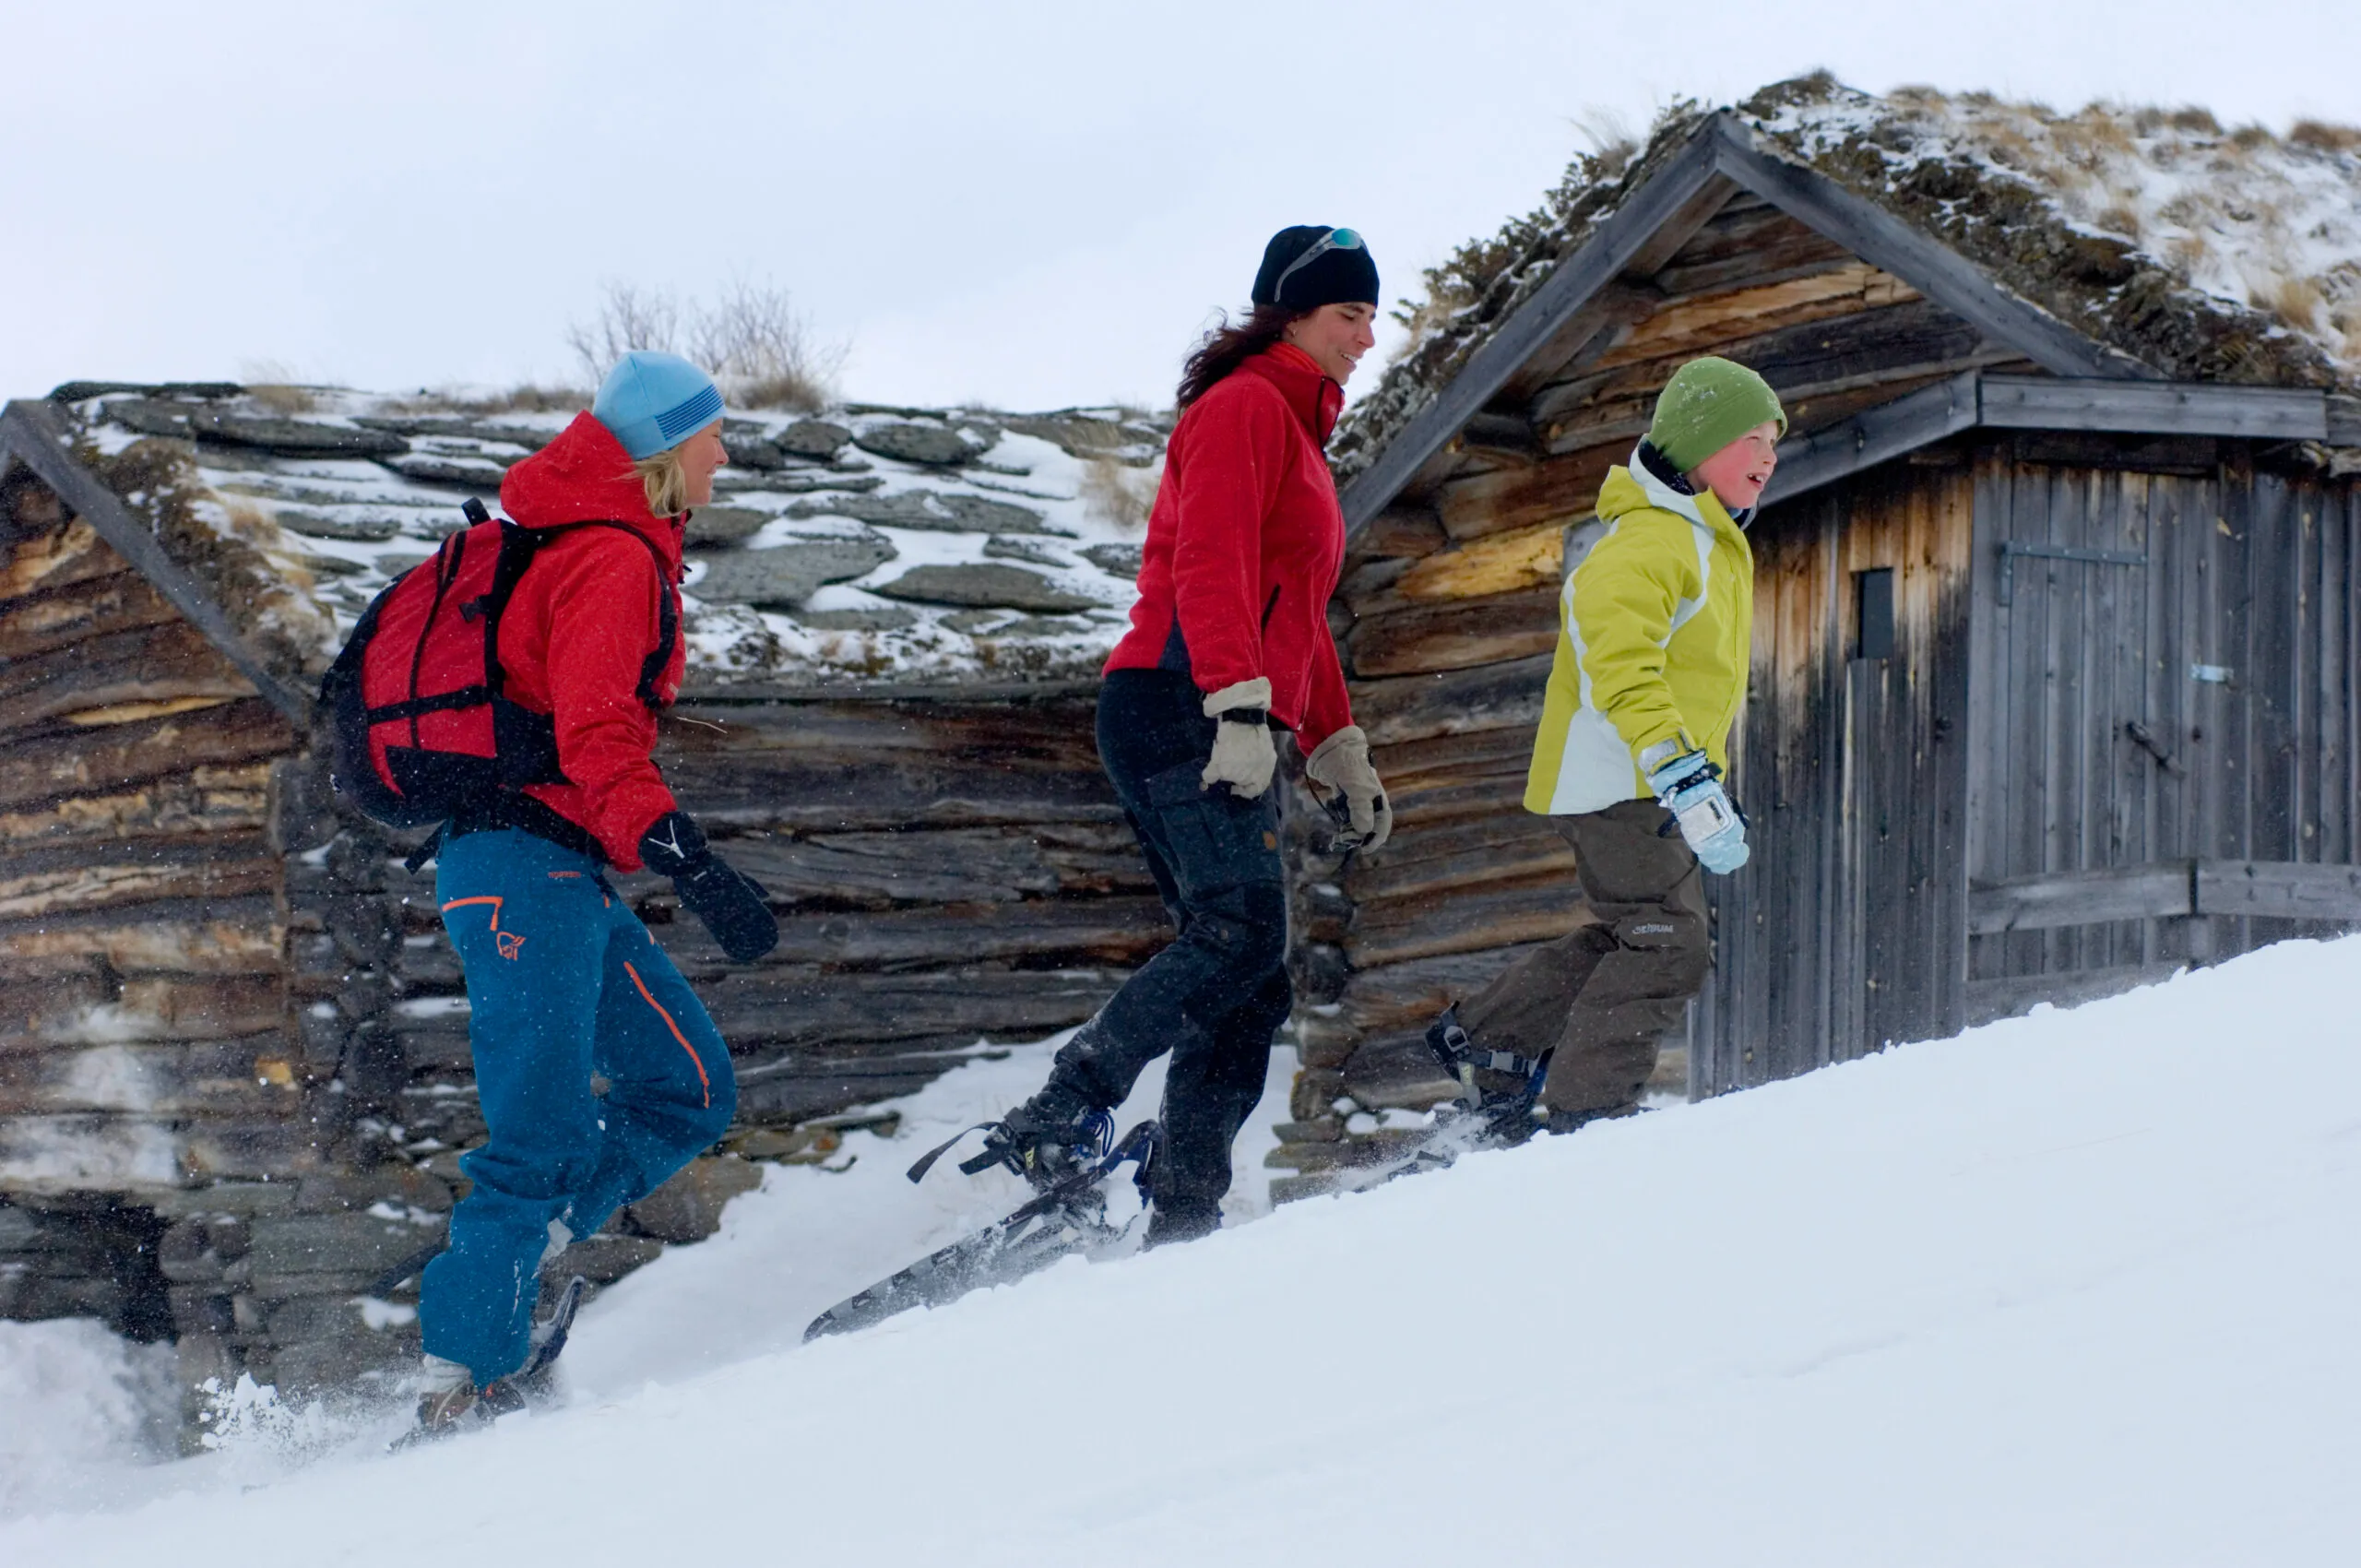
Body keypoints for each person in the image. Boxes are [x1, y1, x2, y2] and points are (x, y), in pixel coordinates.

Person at [975, 225, 1394, 1246]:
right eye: (1349, 314)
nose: (1366, 337)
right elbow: (1206, 565)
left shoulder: (1299, 434)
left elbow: (1295, 612)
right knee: (1237, 931)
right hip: (1176, 701)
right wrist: (1238, 707)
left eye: (1373, 317)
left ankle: (1186, 1206)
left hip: (1217, 702)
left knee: (1254, 978)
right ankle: (1064, 1106)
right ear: (1290, 312)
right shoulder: (1243, 405)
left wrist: (1336, 747)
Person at [413, 350, 778, 1430]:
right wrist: (687, 854)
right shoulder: (611, 557)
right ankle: (460, 1383)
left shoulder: (609, 544)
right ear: (667, 448)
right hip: (519, 871)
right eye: (712, 433)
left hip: (556, 871)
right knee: (534, 1133)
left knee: (687, 1085)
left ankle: (545, 1239)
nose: (726, 450)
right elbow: (595, 730)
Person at [1425, 356, 1786, 1131]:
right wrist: (1682, 774)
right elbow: (1614, 661)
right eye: (1749, 437)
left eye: (1774, 441)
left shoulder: (1707, 545)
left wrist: (1704, 781)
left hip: (1652, 781)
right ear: (1695, 445)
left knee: (1641, 933)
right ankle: (1589, 1116)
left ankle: (1493, 1038)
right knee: (1669, 945)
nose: (1768, 455)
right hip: (1622, 779)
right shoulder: (1651, 542)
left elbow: (1692, 683)